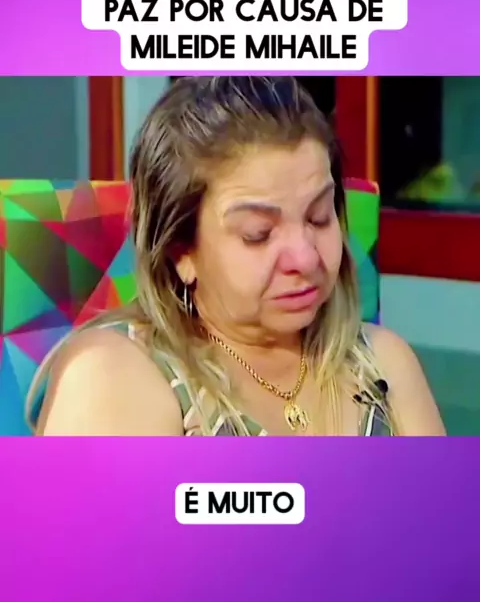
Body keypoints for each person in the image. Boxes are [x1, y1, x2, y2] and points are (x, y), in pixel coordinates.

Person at [27, 76, 445, 437]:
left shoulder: (385, 363)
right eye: (258, 235)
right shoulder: (113, 376)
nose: (305, 258)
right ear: (181, 252)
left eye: (319, 218)